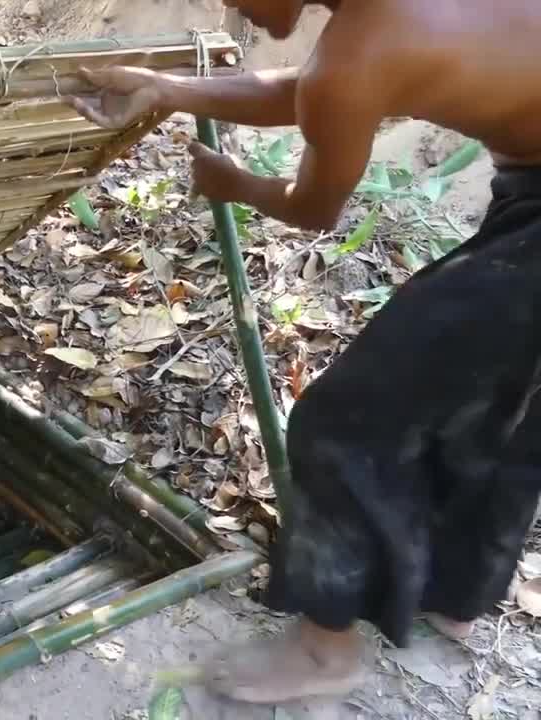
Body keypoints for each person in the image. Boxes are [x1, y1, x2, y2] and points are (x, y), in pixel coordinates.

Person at [65, 0, 541, 706]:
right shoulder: (374, 33)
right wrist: (165, 89)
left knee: (348, 421)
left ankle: (326, 650)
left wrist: (235, 185)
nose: (231, 6)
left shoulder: (361, 53)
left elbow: (314, 202)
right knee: (510, 400)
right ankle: (460, 591)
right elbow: (314, 89)